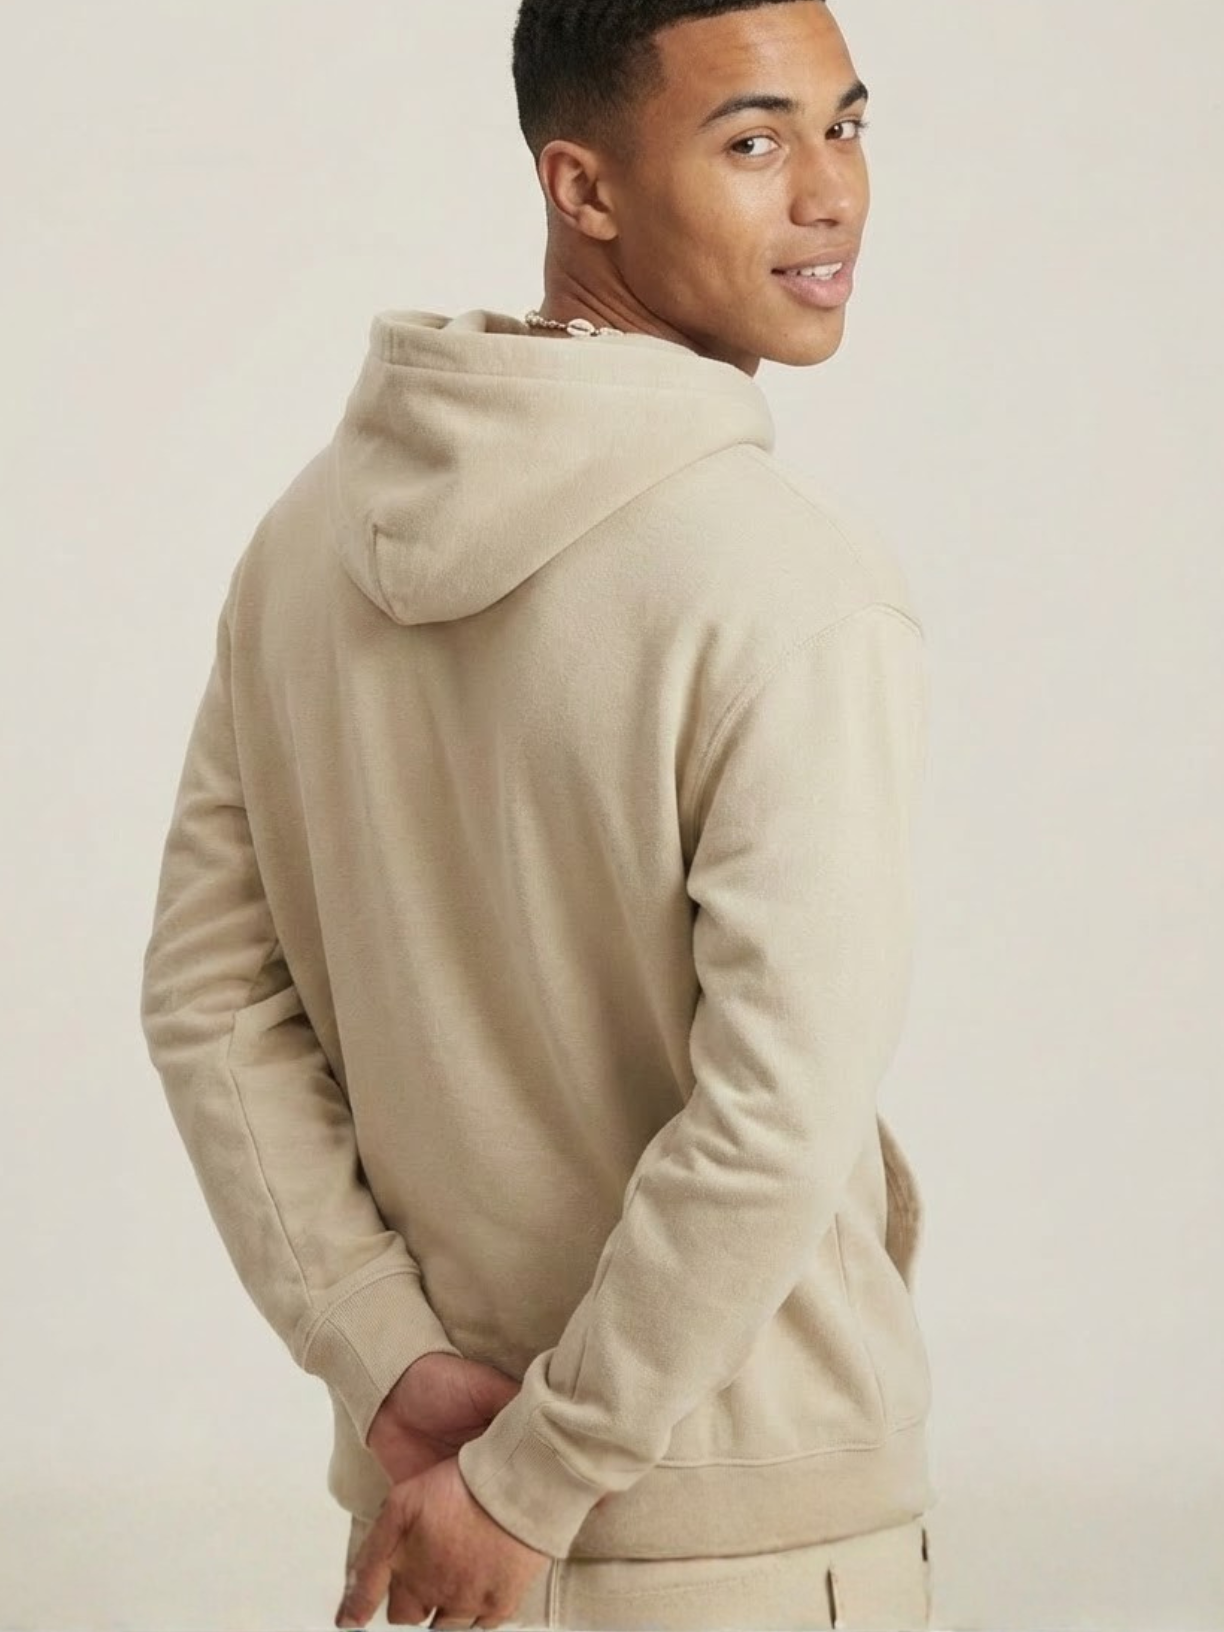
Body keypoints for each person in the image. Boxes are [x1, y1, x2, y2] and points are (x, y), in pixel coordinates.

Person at [139, 0, 939, 1626]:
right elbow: (776, 1112)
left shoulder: (306, 545)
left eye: (846, 125)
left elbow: (210, 1000)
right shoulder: (791, 587)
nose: (831, 192)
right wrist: (544, 1471)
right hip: (743, 1535)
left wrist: (388, 1360)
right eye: (753, 139)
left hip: (428, 1523)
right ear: (582, 187)